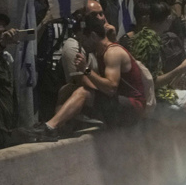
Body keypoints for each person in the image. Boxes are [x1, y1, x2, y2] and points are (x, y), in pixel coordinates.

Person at [21, 11, 149, 141]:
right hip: (120, 103)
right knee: (67, 90)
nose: (81, 43)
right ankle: (59, 128)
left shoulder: (112, 53)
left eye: (83, 39)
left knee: (83, 92)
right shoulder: (101, 53)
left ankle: (50, 128)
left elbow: (111, 88)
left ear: (93, 36)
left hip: (133, 108)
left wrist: (86, 70)